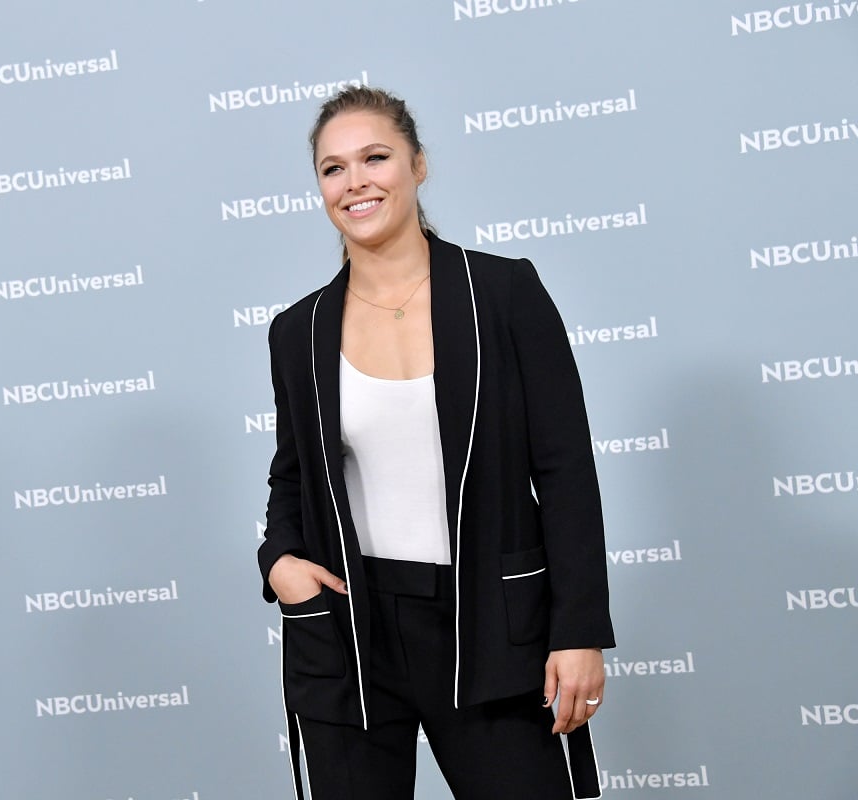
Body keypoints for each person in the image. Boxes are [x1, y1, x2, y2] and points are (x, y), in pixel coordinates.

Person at [258, 86, 615, 800]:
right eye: (333, 169)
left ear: (418, 165)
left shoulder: (503, 294)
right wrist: (280, 564)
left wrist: (577, 631)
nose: (355, 181)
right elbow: (292, 478)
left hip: (491, 623)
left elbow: (565, 470)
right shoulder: (298, 331)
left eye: (375, 157)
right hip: (350, 628)